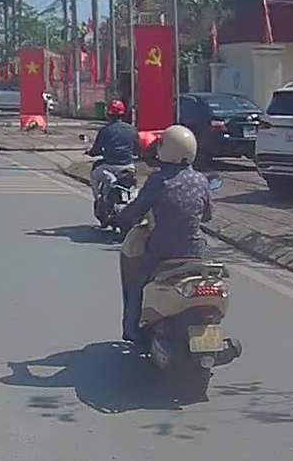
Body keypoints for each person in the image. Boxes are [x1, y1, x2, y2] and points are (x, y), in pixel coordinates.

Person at [115, 124, 213, 344]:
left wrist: (122, 217)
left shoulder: (158, 180)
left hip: (162, 250)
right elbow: (207, 216)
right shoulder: (201, 180)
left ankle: (132, 330)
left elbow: (138, 208)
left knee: (138, 283)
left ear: (165, 149)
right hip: (195, 250)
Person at [86, 99, 141, 215]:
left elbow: (96, 149)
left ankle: (98, 200)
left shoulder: (105, 130)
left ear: (108, 114)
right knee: (134, 186)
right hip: (128, 166)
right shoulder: (132, 129)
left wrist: (90, 152)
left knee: (94, 176)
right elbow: (137, 149)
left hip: (109, 166)